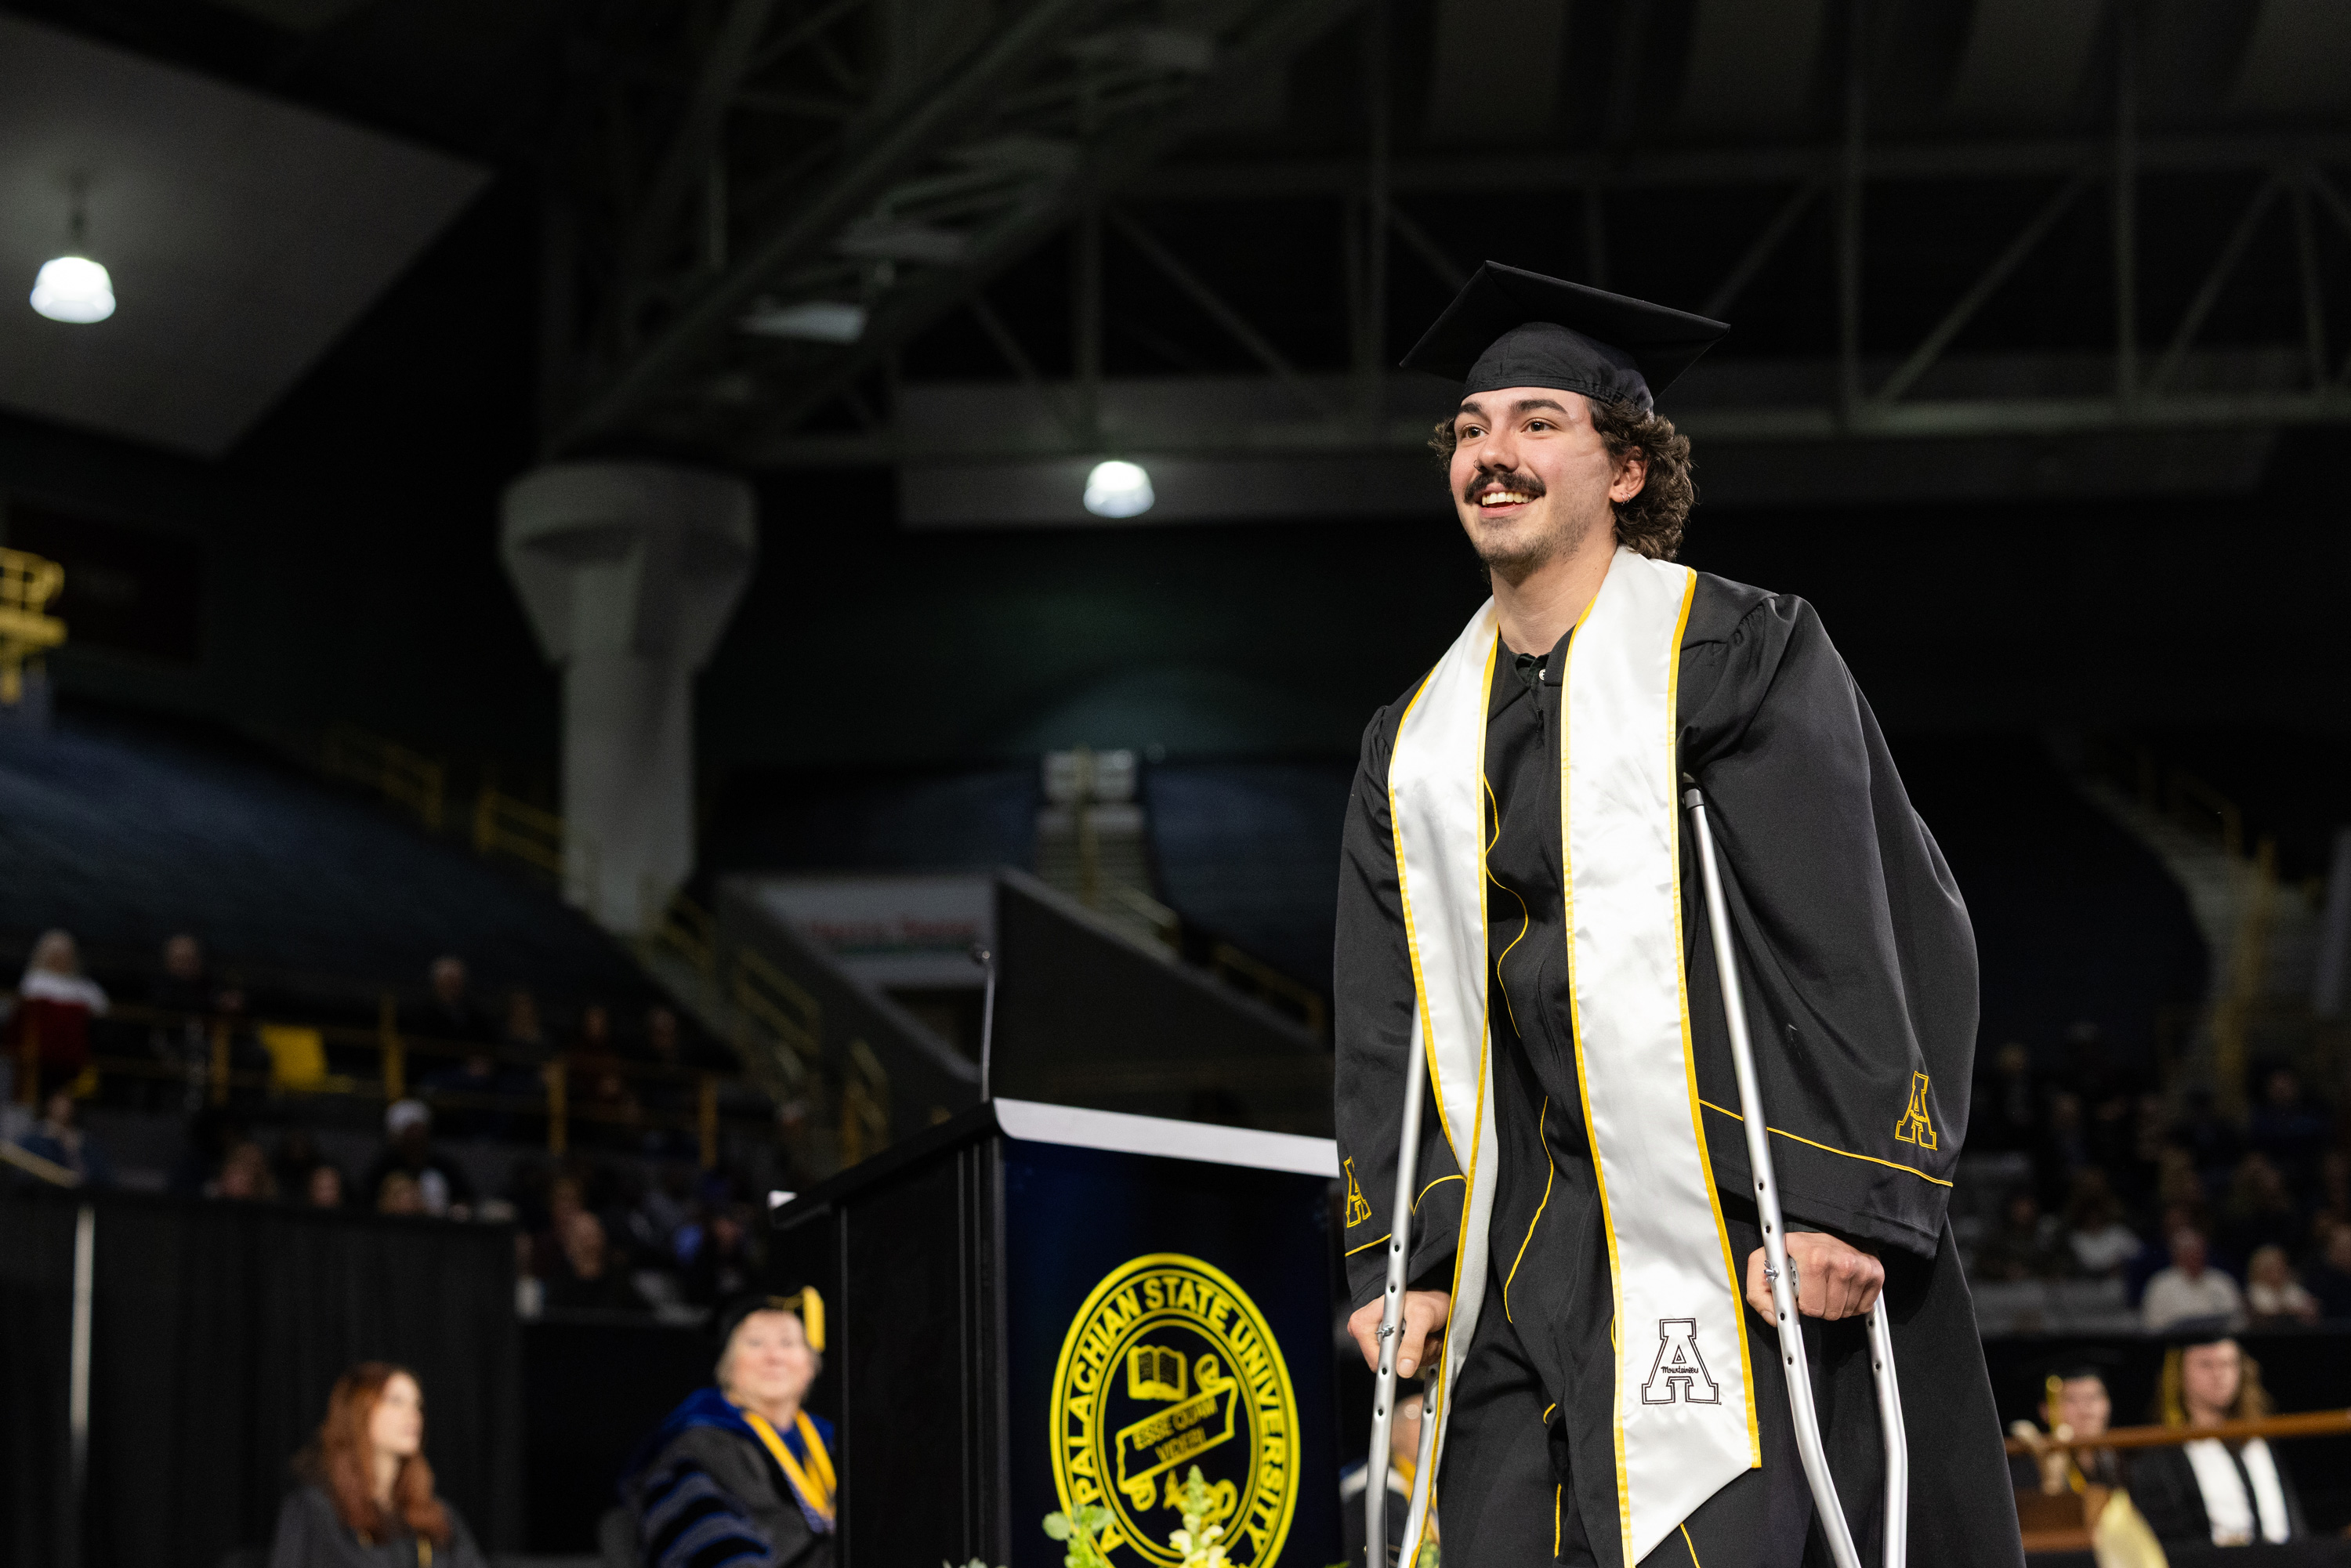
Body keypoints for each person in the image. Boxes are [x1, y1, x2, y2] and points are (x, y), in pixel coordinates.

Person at [1333, 263, 2016, 1567]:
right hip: (1512, 1254)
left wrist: (1841, 1200)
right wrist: (1399, 1261)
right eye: (1471, 429)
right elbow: (1386, 1019)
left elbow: (1858, 925)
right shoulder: (1412, 743)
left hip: (1723, 1231)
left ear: (1628, 469)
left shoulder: (1740, 655)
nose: (1492, 453)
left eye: (1539, 422)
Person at [621, 1291, 835, 1568]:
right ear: (727, 1363)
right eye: (755, 1343)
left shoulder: (831, 1441)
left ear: (811, 1365)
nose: (774, 1357)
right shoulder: (696, 1445)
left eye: (788, 1343)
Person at [268, 1362, 486, 1567]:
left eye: (417, 1405)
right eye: (396, 1401)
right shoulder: (314, 1511)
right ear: (358, 1411)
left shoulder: (437, 1517)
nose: (413, 1415)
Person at [2128, 1334, 2308, 1547]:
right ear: (2178, 1374)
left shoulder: (2258, 1441)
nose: (2219, 1375)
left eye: (2228, 1364)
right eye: (2205, 1365)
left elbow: (2294, 1526)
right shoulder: (2161, 1455)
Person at [5, 929, 107, 1101]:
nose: (61, 959)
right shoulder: (34, 981)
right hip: (41, 1056)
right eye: (56, 954)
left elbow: (102, 1006)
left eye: (66, 955)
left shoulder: (83, 985)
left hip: (74, 1058)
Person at [2008, 1355, 2123, 1493]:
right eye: (2071, 1400)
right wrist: (2052, 1480)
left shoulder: (2121, 1462)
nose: (2086, 1410)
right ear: (2046, 1411)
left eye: (2094, 1397)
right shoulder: (2027, 1471)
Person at [1341, 1385, 1423, 1567]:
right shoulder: (1371, 1494)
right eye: (1416, 1416)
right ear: (1392, 1431)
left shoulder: (1445, 1489)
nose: (1428, 1426)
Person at [361, 1100, 476, 1219]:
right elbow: (366, 1201)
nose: (416, 1141)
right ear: (396, 1138)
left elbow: (465, 1199)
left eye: (420, 1134)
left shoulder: (443, 1166)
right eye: (410, 1135)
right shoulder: (384, 1167)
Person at [2141, 1228, 2247, 1333]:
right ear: (2177, 1255)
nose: (2195, 1257)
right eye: (2188, 1252)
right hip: (2175, 1342)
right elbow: (2153, 1326)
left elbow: (2238, 1321)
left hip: (2219, 1340)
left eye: (2198, 1252)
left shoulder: (2222, 1281)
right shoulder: (2160, 1284)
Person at [16, 1088, 114, 1186]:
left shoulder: (83, 1140)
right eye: (58, 1106)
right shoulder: (34, 1138)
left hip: (80, 1191)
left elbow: (102, 1175)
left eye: (67, 1106)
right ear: (50, 1106)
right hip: (44, 1190)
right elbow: (28, 1170)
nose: (63, 1110)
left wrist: (72, 1151)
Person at [2243, 1244, 2319, 1327]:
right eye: (2272, 1267)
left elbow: (2311, 1309)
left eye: (2280, 1266)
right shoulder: (2254, 1292)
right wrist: (2290, 1311)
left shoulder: (2293, 1289)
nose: (2278, 1271)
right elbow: (2264, 1314)